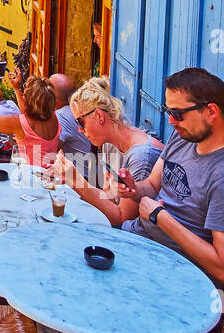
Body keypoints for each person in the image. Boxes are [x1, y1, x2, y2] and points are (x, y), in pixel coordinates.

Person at [114, 67, 224, 286]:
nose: (172, 121)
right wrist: (133, 189)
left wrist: (161, 218)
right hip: (139, 244)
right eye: (169, 112)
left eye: (177, 113)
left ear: (212, 112)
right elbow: (153, 185)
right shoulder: (184, 137)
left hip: (174, 276)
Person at [47, 77, 163, 226]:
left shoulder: (141, 157)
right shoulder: (109, 144)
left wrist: (76, 181)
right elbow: (110, 200)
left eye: (80, 122)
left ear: (99, 116)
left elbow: (121, 219)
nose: (79, 130)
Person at [0, 70, 61, 166]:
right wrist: (17, 89)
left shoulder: (19, 122)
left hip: (30, 176)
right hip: (50, 174)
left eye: (25, 95)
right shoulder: (54, 117)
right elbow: (27, 112)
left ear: (28, 100)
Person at [48, 73, 95, 160]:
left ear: (52, 97)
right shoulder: (77, 107)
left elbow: (48, 153)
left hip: (76, 172)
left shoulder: (62, 116)